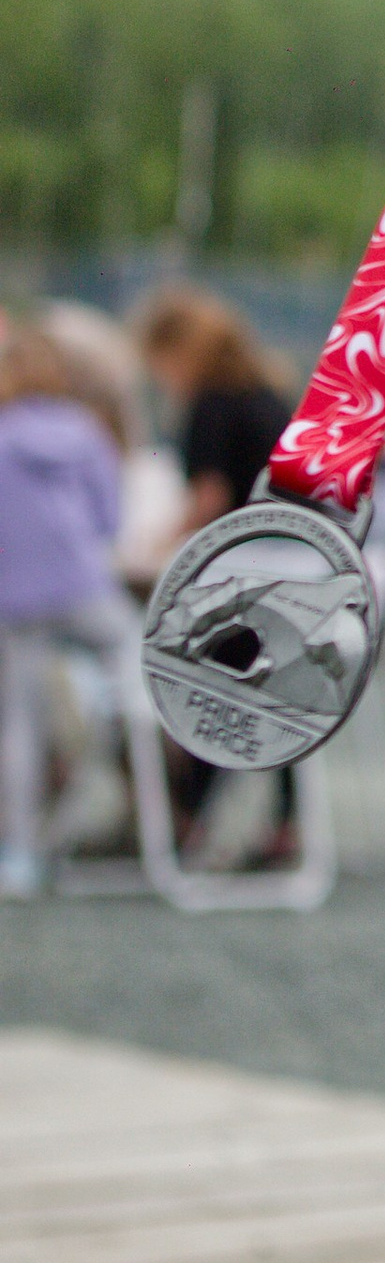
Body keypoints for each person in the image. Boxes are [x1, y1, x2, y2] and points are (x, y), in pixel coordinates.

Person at [133, 284, 300, 866]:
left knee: (203, 681)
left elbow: (209, 498)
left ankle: (181, 819)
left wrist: (158, 543)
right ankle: (288, 827)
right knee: (279, 691)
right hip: (297, 592)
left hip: (238, 581)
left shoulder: (211, 402)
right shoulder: (268, 393)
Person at [0, 324, 124, 899]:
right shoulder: (83, 431)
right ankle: (137, 811)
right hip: (82, 590)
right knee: (140, 669)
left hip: (15, 601)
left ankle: (20, 853)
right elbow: (109, 520)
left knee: (18, 729)